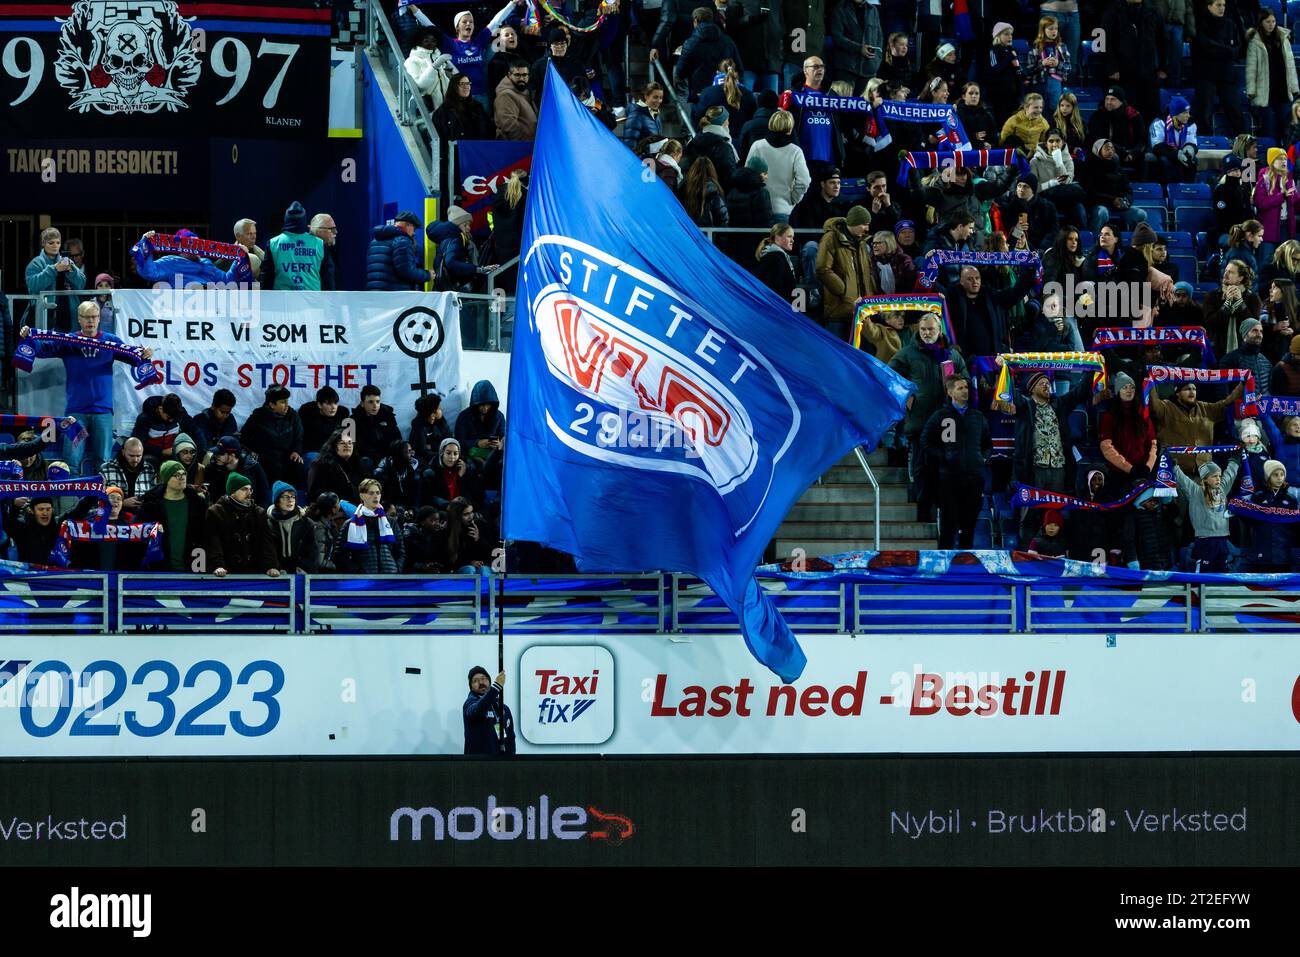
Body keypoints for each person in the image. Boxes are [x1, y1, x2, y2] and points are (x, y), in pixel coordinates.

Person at [15, 300, 148, 477]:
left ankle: (99, 502)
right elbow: (42, 348)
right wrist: (28, 338)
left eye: (94, 317)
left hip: (103, 411)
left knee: (104, 463)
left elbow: (133, 357)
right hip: (76, 412)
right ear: (79, 319)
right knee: (71, 462)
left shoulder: (110, 341)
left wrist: (145, 354)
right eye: (86, 317)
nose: (90, 321)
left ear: (99, 318)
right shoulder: (69, 341)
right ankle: (73, 503)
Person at [889, 314, 969, 509]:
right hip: (920, 422)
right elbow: (890, 377)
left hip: (947, 422)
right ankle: (923, 511)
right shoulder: (906, 354)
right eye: (923, 329)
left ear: (939, 330)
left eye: (930, 329)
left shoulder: (952, 355)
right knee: (921, 468)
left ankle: (942, 509)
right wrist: (905, 398)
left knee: (946, 469)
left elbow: (965, 380)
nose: (926, 333)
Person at [921, 374, 991, 549]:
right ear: (950, 392)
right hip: (949, 479)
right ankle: (945, 565)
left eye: (966, 387)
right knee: (948, 525)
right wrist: (944, 457)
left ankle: (965, 564)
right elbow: (926, 442)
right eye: (960, 388)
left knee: (969, 525)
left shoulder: (978, 416)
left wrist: (982, 458)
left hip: (974, 478)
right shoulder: (940, 416)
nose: (965, 391)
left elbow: (988, 443)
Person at [1149, 380, 1245, 478]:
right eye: (1187, 389)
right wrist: (1150, 383)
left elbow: (1228, 403)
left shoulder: (1205, 408)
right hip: (1174, 473)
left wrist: (1242, 385)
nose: (1192, 392)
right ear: (1177, 392)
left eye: (1194, 389)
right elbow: (1153, 405)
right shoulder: (1166, 407)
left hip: (1204, 474)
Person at [429, 3, 520, 104]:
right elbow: (431, 27)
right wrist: (415, 10)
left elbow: (496, 21)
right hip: (461, 98)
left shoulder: (478, 42)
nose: (468, 24)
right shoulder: (450, 44)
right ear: (457, 27)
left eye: (471, 22)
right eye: (464, 22)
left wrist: (512, 4)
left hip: (482, 96)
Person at [945, 263, 1038, 359]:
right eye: (970, 279)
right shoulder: (952, 300)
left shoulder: (989, 296)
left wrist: (1029, 273)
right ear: (961, 281)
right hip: (965, 358)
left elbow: (1013, 295)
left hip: (991, 359)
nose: (975, 282)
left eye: (977, 278)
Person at [1100, 0, 1165, 125]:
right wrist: (1112, 67)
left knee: (1151, 110)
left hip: (1148, 70)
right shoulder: (1113, 11)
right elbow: (1105, 41)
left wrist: (1163, 66)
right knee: (1128, 111)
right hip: (1124, 72)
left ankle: (1150, 141)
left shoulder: (1153, 10)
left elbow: (1162, 39)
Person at [136, 459, 207, 573]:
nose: (182, 477)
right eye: (176, 475)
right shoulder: (150, 504)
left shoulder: (197, 503)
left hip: (191, 567)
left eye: (183, 474)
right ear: (166, 479)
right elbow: (140, 535)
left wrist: (202, 568)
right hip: (159, 569)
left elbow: (204, 537)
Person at [815, 205, 875, 338]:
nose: (867, 229)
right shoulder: (831, 238)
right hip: (839, 312)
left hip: (861, 311)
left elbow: (867, 273)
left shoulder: (862, 242)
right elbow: (822, 268)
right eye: (864, 224)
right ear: (854, 223)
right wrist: (844, 291)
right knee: (836, 354)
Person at [1172, 454, 1241, 572]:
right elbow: (1182, 480)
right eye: (1214, 476)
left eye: (1219, 476)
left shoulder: (1222, 489)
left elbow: (1230, 474)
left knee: (1220, 572)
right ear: (1205, 478)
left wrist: (1235, 460)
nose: (1218, 479)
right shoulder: (1195, 492)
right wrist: (1174, 466)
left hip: (1222, 538)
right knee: (1204, 573)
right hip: (1205, 539)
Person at [206, 472, 281, 578]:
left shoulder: (258, 512)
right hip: (227, 571)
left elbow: (266, 541)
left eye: (250, 489)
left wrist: (271, 565)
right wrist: (217, 565)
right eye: (244, 489)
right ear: (232, 492)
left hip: (254, 570)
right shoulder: (216, 512)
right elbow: (213, 541)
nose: (249, 492)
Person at [1192, 0, 1249, 139]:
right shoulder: (1201, 23)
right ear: (1209, 6)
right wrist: (1227, 50)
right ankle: (1205, 144)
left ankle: (1245, 144)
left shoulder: (1231, 24)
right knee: (1205, 112)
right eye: (1218, 5)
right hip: (1206, 74)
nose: (1222, 8)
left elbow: (1237, 49)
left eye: (1223, 5)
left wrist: (1222, 50)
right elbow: (1206, 47)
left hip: (1227, 74)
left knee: (1235, 110)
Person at [1246, 8, 1299, 142]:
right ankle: (1269, 159)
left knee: (1287, 128)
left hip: (1283, 91)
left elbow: (1290, 65)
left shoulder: (1283, 39)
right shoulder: (1255, 42)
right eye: (1268, 21)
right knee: (1269, 130)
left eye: (1273, 21)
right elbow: (1251, 69)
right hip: (1266, 93)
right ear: (1261, 22)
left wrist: (1294, 87)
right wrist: (1251, 91)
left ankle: (1286, 159)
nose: (1271, 24)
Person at [239, 384, 306, 491]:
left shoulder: (292, 415)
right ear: (271, 404)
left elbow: (299, 437)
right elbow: (244, 437)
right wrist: (251, 451)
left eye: (287, 401)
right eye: (283, 402)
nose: (287, 405)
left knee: (298, 465)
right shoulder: (258, 416)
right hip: (265, 458)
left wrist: (296, 451)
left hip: (287, 456)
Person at [1099, 372, 1157, 489]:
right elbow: (1106, 447)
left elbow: (1152, 443)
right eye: (1125, 387)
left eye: (1132, 387)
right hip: (1119, 474)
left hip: (1142, 473)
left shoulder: (1143, 415)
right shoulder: (1109, 416)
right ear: (1118, 391)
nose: (1129, 390)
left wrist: (1147, 467)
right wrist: (1129, 468)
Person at [333, 478, 404, 574]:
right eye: (371, 493)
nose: (376, 496)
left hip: (390, 578)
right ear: (362, 496)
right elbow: (340, 554)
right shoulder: (350, 524)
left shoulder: (390, 522)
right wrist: (356, 572)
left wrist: (397, 569)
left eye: (378, 493)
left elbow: (400, 550)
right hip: (364, 580)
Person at [24, 226, 86, 332]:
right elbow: (33, 286)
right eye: (51, 243)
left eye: (58, 242)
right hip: (45, 315)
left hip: (69, 316)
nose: (55, 246)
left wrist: (72, 272)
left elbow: (82, 283)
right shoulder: (36, 263)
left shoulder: (66, 261)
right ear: (43, 244)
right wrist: (54, 269)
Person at [674, 7, 743, 100]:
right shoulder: (727, 40)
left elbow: (680, 73)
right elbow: (739, 68)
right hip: (725, 93)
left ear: (695, 21)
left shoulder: (690, 43)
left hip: (700, 95)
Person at [1086, 88, 1152, 180]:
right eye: (1107, 99)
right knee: (1113, 157)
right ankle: (1117, 188)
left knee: (1145, 159)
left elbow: (1142, 139)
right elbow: (1099, 139)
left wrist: (1133, 153)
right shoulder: (1098, 116)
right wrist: (1122, 152)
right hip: (1110, 152)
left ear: (1121, 101)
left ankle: (1141, 188)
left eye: (1113, 99)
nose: (1108, 102)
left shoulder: (1133, 115)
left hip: (1130, 152)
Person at [262, 201, 325, 292]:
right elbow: (328, 277)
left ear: (286, 219)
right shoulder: (319, 244)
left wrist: (265, 301)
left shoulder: (273, 243)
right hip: (312, 301)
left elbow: (266, 276)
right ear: (304, 220)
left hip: (282, 301)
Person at [429, 207, 493, 292]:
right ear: (456, 226)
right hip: (454, 288)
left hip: (445, 288)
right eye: (465, 225)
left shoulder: (448, 239)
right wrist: (477, 269)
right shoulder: (455, 240)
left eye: (469, 225)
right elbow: (451, 263)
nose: (469, 228)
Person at [366, 211, 431, 291]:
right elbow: (406, 272)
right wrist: (428, 275)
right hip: (394, 296)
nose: (414, 233)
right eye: (414, 229)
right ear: (408, 225)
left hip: (374, 293)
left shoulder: (374, 241)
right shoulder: (402, 241)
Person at [129, 392, 196, 467]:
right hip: (153, 454)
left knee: (190, 458)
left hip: (175, 451)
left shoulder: (180, 414)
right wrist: (162, 451)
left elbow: (195, 431)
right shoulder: (145, 418)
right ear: (160, 409)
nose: (171, 421)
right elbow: (138, 443)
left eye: (174, 419)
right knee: (148, 461)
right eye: (168, 417)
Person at [463, 665, 515, 755]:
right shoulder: (469, 704)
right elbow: (477, 711)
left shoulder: (504, 708)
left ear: (489, 682)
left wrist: (511, 763)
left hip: (503, 765)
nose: (480, 682)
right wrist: (496, 688)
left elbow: (511, 738)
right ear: (471, 687)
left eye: (484, 678)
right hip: (478, 764)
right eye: (475, 681)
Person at [262, 480, 311, 574]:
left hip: (301, 573)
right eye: (286, 497)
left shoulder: (306, 522)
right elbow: (267, 550)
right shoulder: (268, 523)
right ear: (277, 500)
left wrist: (305, 567)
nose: (290, 500)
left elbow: (312, 550)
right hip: (276, 574)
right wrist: (273, 567)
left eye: (293, 497)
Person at [685, 104, 740, 187]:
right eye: (727, 120)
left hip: (696, 188)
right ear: (722, 122)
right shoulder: (723, 146)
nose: (728, 122)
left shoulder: (695, 140)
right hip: (718, 191)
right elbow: (729, 174)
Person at [1254, 148, 1298, 251]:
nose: (1284, 161)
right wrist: (1281, 196)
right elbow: (1261, 204)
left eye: (1285, 159)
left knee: (1284, 263)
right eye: (1280, 159)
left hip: (1286, 228)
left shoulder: (1290, 180)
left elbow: (1296, 204)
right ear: (1272, 162)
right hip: (1268, 229)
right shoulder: (1264, 180)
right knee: (1266, 262)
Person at [1121, 487, 1175, 571]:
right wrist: (1132, 560)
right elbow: (1129, 540)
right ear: (1141, 501)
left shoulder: (1160, 512)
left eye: (1155, 500)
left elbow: (1174, 513)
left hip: (1165, 563)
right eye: (1150, 500)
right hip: (1146, 564)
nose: (1153, 503)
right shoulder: (1132, 516)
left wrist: (1168, 502)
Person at [1148, 95, 1198, 184]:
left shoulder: (1191, 123)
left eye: (1188, 112)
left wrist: (1189, 149)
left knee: (1193, 160)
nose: (1188, 115)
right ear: (1175, 114)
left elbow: (1191, 142)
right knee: (1165, 161)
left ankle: (1188, 190)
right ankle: (1166, 191)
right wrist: (1177, 154)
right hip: (1163, 153)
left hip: (1181, 152)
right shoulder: (1159, 123)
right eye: (1185, 113)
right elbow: (1157, 147)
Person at [307, 428, 366, 503]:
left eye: (350, 443)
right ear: (334, 447)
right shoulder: (320, 465)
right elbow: (314, 494)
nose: (347, 445)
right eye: (342, 443)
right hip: (333, 508)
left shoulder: (358, 465)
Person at [421, 437, 482, 508]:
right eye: (448, 453)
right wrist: (450, 506)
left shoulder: (465, 469)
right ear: (442, 453)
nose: (452, 457)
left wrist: (461, 478)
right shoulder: (431, 472)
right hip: (442, 511)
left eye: (455, 453)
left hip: (463, 510)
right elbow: (430, 499)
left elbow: (475, 496)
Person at [980, 21, 1023, 123]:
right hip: (999, 93)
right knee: (1002, 119)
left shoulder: (1011, 49)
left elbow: (1016, 67)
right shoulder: (993, 50)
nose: (1010, 37)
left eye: (1011, 34)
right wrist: (1009, 57)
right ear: (998, 36)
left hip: (1013, 91)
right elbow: (996, 68)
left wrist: (1023, 77)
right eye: (1006, 34)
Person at [98, 437, 157, 511]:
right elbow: (99, 499)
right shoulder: (106, 468)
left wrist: (145, 504)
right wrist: (122, 503)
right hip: (114, 514)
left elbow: (155, 498)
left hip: (141, 515)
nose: (135, 460)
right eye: (131, 456)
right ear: (123, 452)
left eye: (139, 456)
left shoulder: (149, 469)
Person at [455, 380, 506, 464]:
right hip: (470, 457)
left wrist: (500, 444)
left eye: (488, 404)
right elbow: (458, 441)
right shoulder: (464, 416)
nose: (485, 408)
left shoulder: (499, 416)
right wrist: (477, 443)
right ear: (475, 404)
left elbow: (505, 436)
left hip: (494, 456)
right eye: (482, 405)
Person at [433, 72, 492, 142]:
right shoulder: (442, 113)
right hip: (458, 151)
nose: (466, 87)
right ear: (454, 87)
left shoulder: (478, 107)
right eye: (462, 84)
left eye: (467, 84)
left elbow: (487, 130)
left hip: (478, 150)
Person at [1223, 317, 1275, 397]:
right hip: (1239, 408)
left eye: (1261, 331)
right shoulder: (1230, 359)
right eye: (1254, 330)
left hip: (1266, 408)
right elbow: (1223, 393)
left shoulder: (1266, 362)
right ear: (1244, 335)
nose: (1259, 335)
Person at [404, 27, 455, 108]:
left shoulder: (439, 57)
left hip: (448, 107)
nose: (430, 43)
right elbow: (420, 86)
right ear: (418, 41)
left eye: (434, 41)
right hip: (429, 110)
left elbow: (454, 79)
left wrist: (451, 74)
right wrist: (434, 66)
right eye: (426, 40)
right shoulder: (411, 61)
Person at [789, 165, 847, 230]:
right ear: (823, 184)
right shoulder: (809, 206)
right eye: (832, 183)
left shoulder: (841, 205)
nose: (836, 186)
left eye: (838, 183)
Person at [299, 387, 350, 460]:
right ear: (319, 405)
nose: (333, 407)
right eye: (329, 403)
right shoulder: (309, 417)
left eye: (335, 403)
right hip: (312, 454)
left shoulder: (341, 416)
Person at [494, 55, 537, 140]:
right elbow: (508, 125)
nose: (521, 78)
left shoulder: (525, 92)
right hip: (516, 148)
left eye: (524, 75)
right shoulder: (505, 95)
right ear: (509, 75)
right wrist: (523, 143)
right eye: (517, 75)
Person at [754, 223, 798, 304]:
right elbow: (777, 288)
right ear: (777, 237)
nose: (793, 240)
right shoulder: (776, 258)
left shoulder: (776, 256)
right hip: (779, 308)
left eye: (793, 237)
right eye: (789, 236)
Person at [1215, 156, 1255, 243]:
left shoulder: (1243, 190)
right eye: (1232, 171)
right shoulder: (1220, 190)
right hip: (1227, 233)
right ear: (1227, 173)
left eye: (1237, 170)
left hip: (1243, 233)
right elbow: (1221, 216)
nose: (1236, 173)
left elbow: (1248, 214)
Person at [681, 154, 730, 227]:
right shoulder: (714, 189)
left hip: (689, 232)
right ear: (712, 170)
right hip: (708, 233)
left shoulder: (684, 188)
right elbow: (722, 215)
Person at [724, 155, 772, 227]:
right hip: (754, 236)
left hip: (734, 236)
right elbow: (764, 220)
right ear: (758, 173)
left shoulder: (732, 190)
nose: (767, 177)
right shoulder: (761, 192)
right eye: (765, 173)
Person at [409, 394, 453, 468]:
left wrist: (432, 446)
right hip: (429, 462)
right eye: (439, 408)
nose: (441, 409)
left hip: (442, 455)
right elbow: (422, 451)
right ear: (433, 414)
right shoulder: (419, 427)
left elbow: (449, 439)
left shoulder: (440, 421)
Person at [373, 440, 421, 508]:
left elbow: (414, 497)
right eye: (407, 452)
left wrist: (412, 509)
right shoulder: (381, 473)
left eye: (411, 451)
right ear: (398, 454)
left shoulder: (409, 469)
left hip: (404, 506)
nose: (412, 454)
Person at [190, 388, 239, 454]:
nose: (225, 415)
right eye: (222, 412)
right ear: (213, 406)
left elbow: (232, 441)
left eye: (228, 412)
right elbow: (203, 445)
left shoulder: (230, 418)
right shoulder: (200, 419)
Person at [957, 82, 1000, 152]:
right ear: (964, 96)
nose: (974, 96)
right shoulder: (958, 114)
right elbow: (956, 136)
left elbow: (994, 136)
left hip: (986, 153)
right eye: (970, 93)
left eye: (977, 93)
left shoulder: (986, 114)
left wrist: (990, 145)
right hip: (965, 153)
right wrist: (974, 137)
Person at [869, 230, 915, 295]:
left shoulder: (904, 260)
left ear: (889, 243)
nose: (875, 246)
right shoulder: (870, 261)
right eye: (873, 243)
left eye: (878, 243)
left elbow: (911, 285)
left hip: (902, 301)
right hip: (878, 302)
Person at [622, 82, 664, 146]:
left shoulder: (656, 115)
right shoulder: (636, 115)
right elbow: (629, 144)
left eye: (660, 98)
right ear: (646, 96)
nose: (659, 101)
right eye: (655, 97)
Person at [310, 213, 339, 291]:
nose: (336, 232)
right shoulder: (317, 249)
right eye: (332, 229)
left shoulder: (329, 250)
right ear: (319, 231)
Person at [232, 218, 265, 283]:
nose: (254, 237)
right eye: (249, 234)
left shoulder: (260, 253)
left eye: (254, 233)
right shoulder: (226, 258)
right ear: (238, 236)